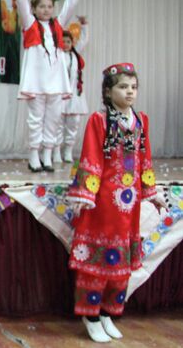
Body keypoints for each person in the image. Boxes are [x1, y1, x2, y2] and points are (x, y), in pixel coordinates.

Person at [67, 63, 166, 343]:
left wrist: (151, 190)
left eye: (133, 87)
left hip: (129, 205)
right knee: (98, 263)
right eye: (123, 86)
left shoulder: (141, 121)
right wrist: (85, 195)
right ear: (108, 91)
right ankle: (91, 314)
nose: (130, 92)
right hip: (102, 205)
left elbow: (144, 160)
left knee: (121, 264)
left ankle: (109, 311)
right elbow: (92, 159)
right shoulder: (99, 121)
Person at [16, 0, 80, 172]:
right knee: (35, 119)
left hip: (56, 82)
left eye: (49, 6)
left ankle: (47, 155)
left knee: (53, 119)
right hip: (36, 82)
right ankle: (34, 155)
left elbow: (70, 5)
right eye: (41, 6)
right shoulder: (30, 23)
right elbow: (21, 2)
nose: (46, 10)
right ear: (34, 9)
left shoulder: (58, 25)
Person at [54, 16, 89, 163]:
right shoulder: (56, 55)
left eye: (68, 41)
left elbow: (84, 40)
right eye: (63, 41)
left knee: (73, 123)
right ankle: (55, 151)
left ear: (72, 43)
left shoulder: (75, 55)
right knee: (57, 124)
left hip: (75, 95)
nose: (66, 44)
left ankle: (68, 150)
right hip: (59, 95)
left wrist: (84, 25)